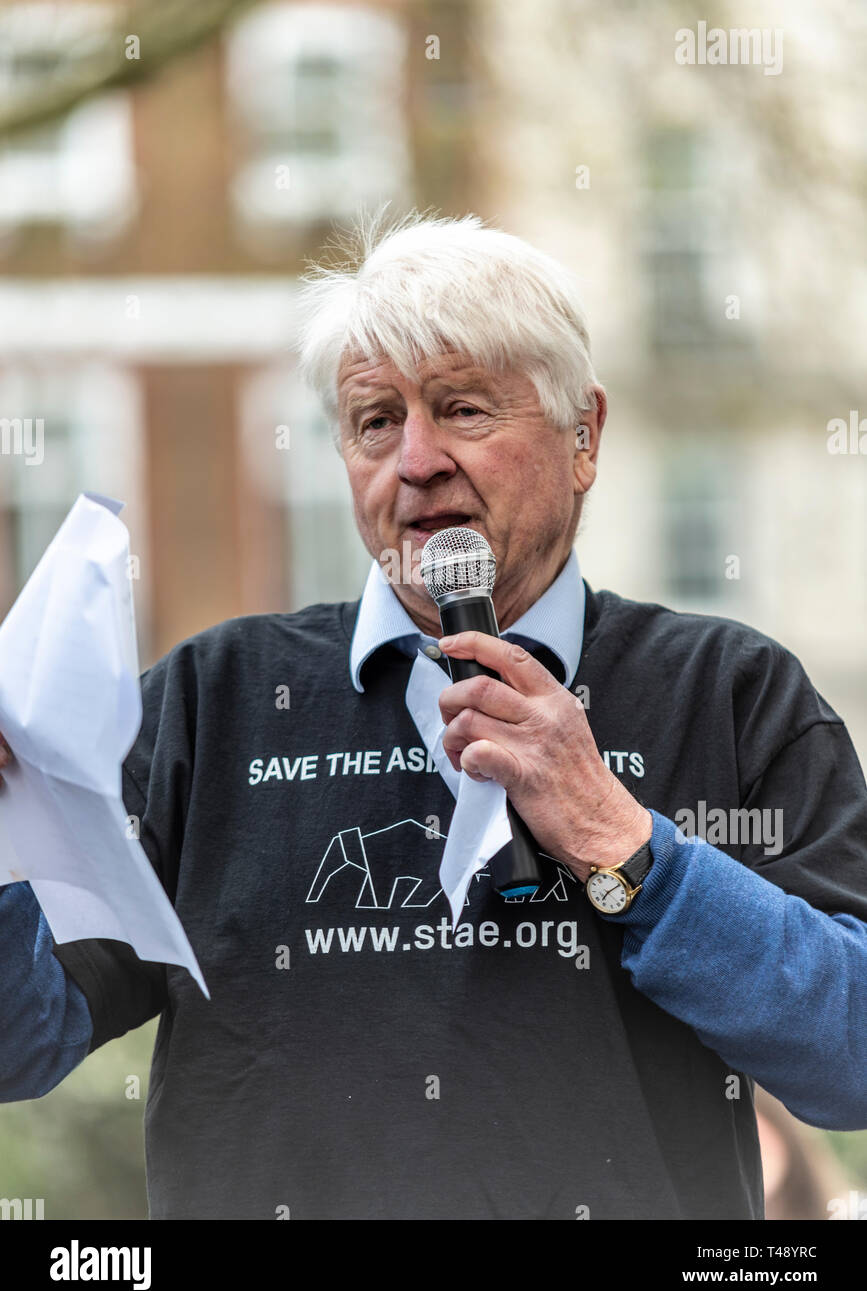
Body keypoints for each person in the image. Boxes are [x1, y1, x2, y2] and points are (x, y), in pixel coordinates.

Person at [1, 209, 866, 1221]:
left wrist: (623, 844)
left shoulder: (730, 693)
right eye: (376, 421)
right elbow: (23, 1040)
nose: (413, 462)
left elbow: (851, 1054)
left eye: (461, 411)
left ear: (583, 436)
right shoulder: (209, 701)